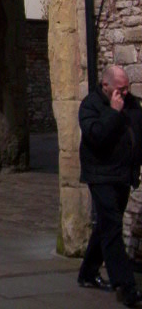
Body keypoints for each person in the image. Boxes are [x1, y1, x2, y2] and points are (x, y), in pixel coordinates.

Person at [78, 65, 142, 306]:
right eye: (119, 89)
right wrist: (114, 112)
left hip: (122, 176)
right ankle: (126, 287)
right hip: (100, 175)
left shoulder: (131, 104)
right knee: (113, 227)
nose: (124, 94)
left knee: (106, 225)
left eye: (126, 89)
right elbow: (97, 137)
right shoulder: (90, 106)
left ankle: (87, 273)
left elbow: (137, 132)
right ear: (106, 86)